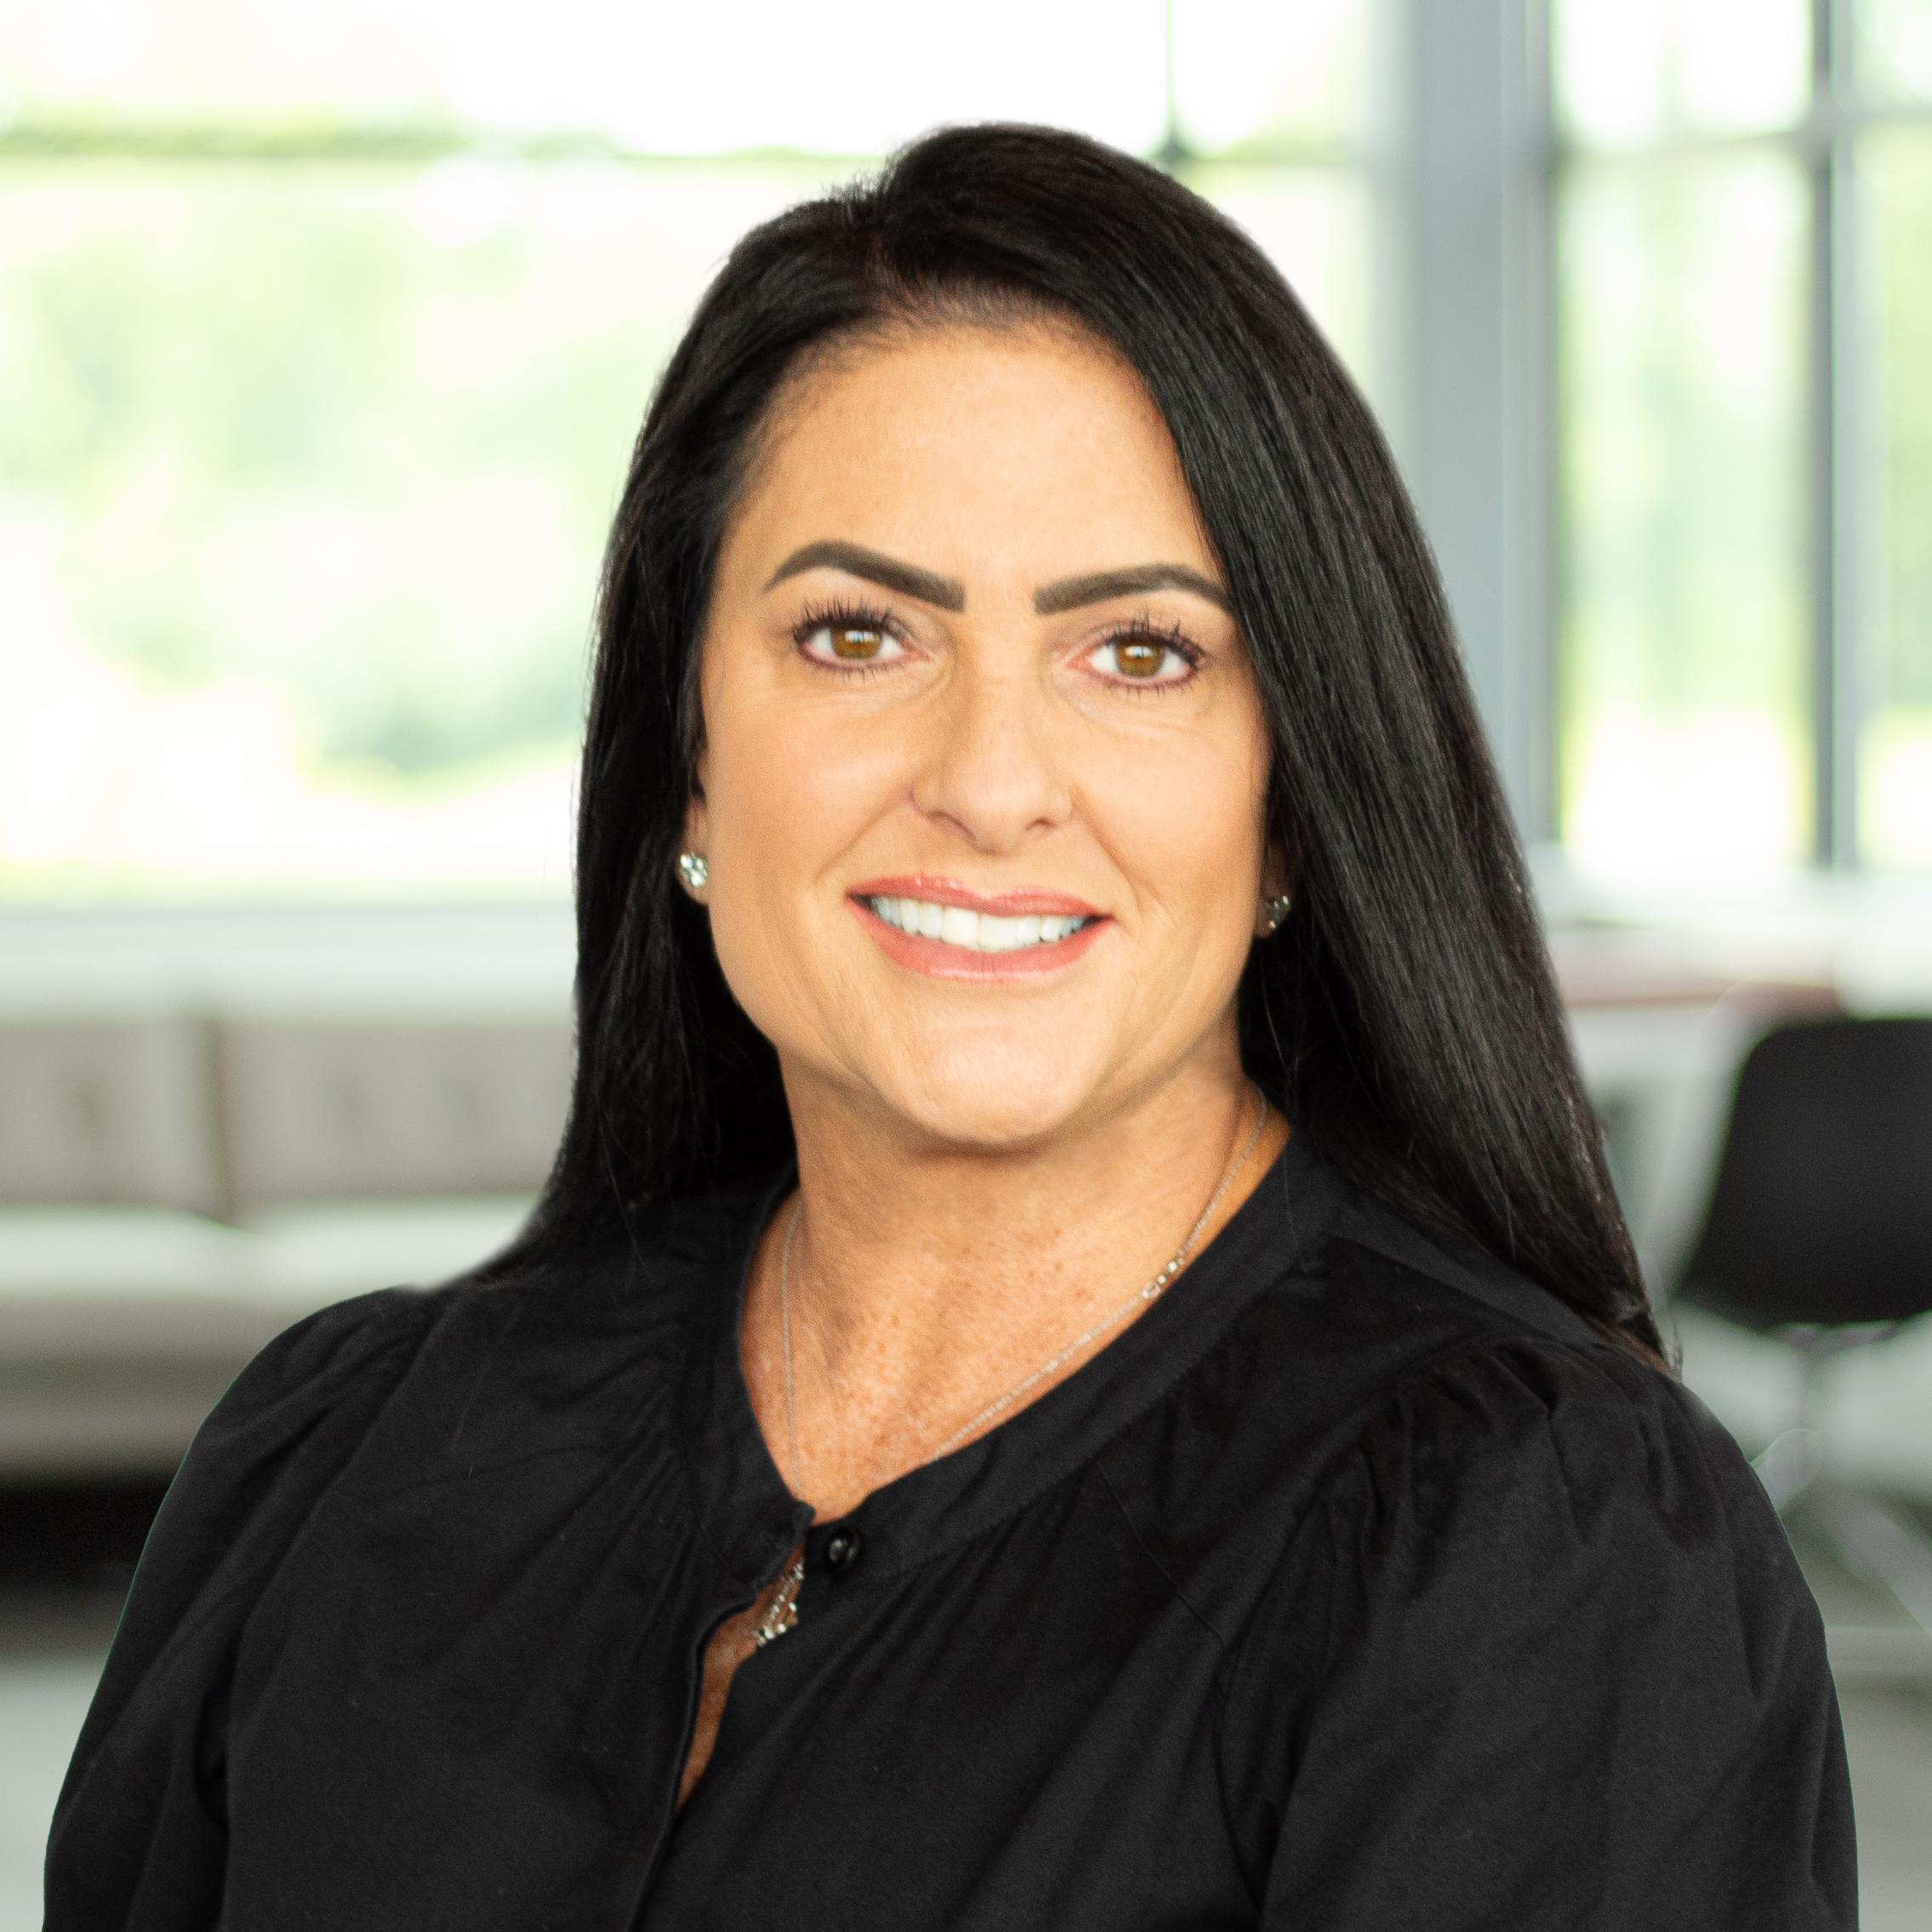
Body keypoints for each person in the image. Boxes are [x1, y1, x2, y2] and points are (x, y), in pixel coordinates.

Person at [45, 123, 1855, 1929]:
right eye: (855, 635)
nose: (990, 783)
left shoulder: (1536, 1546)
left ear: (1287, 798)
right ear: (686, 762)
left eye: (1138, 651)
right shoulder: (353, 1452)